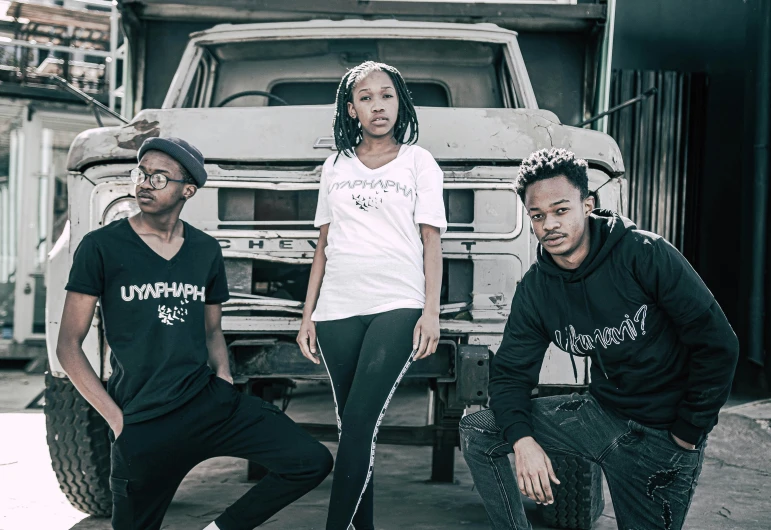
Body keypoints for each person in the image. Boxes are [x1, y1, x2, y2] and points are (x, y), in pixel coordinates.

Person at [56, 137, 333, 530]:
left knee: (310, 460)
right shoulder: (101, 247)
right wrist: (118, 422)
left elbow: (212, 328)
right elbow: (68, 345)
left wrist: (223, 379)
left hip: (208, 404)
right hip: (142, 419)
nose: (143, 184)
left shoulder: (204, 249)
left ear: (188, 190)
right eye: (141, 174)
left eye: (158, 177)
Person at [459, 147, 739, 530]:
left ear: (587, 204)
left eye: (561, 210)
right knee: (479, 429)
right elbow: (510, 375)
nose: (549, 225)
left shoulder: (645, 254)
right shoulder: (537, 290)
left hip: (664, 434)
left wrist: (688, 432)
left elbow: (718, 344)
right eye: (537, 216)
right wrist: (522, 441)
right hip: (601, 416)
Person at [296, 61, 446, 530]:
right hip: (338, 306)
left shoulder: (418, 161)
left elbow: (432, 241)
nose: (377, 105)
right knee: (354, 427)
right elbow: (322, 246)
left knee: (360, 421)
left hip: (397, 303)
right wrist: (308, 315)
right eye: (366, 97)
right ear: (351, 107)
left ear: (399, 102)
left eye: (386, 95)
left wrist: (431, 314)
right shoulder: (335, 165)